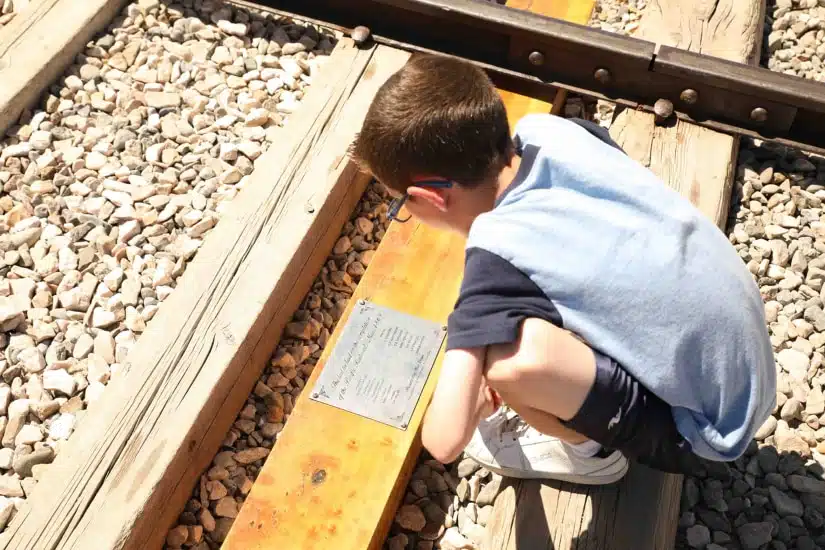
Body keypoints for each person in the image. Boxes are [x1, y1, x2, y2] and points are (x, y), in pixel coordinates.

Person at [348, 53, 777, 484]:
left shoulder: (497, 254)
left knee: (508, 363)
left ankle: (591, 453)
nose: (403, 211)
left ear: (431, 198)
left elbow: (443, 440)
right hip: (746, 366)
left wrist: (480, 390)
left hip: (705, 432)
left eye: (400, 204)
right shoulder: (548, 132)